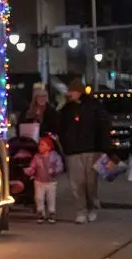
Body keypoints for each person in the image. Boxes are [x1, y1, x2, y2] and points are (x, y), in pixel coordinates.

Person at [57, 77, 115, 224]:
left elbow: (103, 126)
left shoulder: (94, 106)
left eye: (72, 91)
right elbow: (60, 128)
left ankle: (91, 206)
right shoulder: (66, 109)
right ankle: (81, 211)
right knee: (77, 183)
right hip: (73, 151)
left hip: (91, 150)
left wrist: (105, 147)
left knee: (90, 183)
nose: (70, 93)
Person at [24, 134, 65, 223]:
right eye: (39, 145)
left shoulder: (55, 156)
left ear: (49, 147)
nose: (40, 147)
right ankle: (41, 213)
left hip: (51, 182)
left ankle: (51, 212)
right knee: (39, 198)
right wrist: (30, 170)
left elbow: (60, 166)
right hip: (39, 181)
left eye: (42, 145)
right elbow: (33, 166)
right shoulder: (37, 157)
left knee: (51, 198)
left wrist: (54, 170)